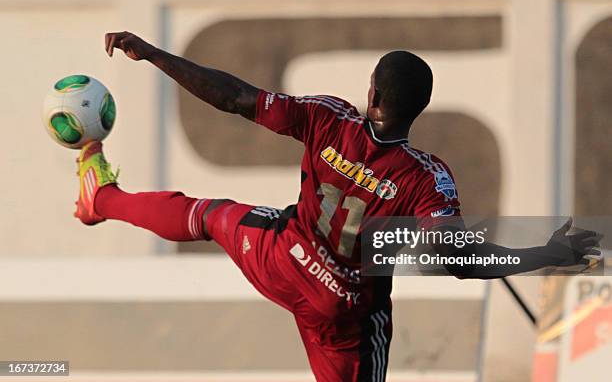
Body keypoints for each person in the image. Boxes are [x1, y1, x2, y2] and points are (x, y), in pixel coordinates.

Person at [72, 31, 600, 381]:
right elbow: (459, 260)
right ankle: (104, 197)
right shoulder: (425, 178)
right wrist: (545, 254)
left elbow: (234, 98)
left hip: (282, 256)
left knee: (209, 215)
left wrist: (156, 54)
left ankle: (103, 198)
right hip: (342, 315)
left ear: (371, 92)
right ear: (419, 110)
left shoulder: (331, 119)